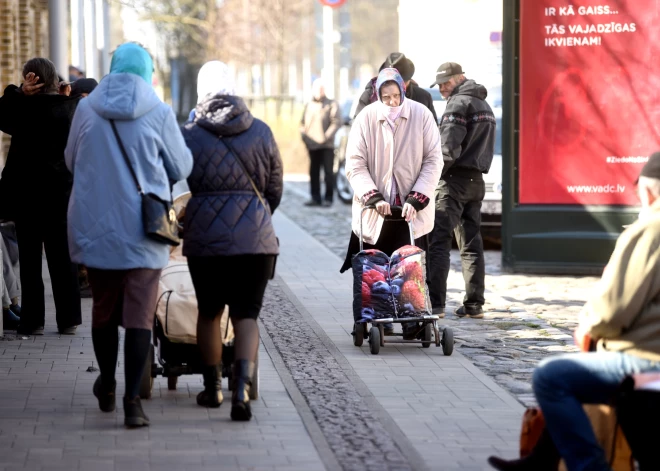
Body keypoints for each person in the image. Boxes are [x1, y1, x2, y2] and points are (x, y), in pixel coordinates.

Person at [487, 153, 660, 471]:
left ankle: (589, 466)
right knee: (578, 373)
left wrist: (589, 327)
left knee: (552, 377)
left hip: (647, 359)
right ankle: (540, 462)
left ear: (649, 191)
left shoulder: (651, 229)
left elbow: (614, 311)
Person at [65, 42, 193, 428]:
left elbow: (71, 159)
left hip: (96, 225)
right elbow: (181, 164)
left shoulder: (86, 108)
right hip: (144, 227)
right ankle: (132, 402)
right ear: (147, 73)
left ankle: (106, 382)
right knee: (139, 313)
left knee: (103, 309)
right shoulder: (157, 110)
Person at [181, 60, 283, 421]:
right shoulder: (262, 131)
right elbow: (274, 190)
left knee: (209, 314)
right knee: (246, 316)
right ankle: (242, 389)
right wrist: (253, 217)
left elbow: (175, 178)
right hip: (254, 243)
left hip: (205, 239)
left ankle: (213, 390)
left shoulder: (189, 133)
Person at [340, 67, 443, 337]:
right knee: (374, 270)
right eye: (385, 97)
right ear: (377, 95)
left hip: (411, 214)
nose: (392, 102)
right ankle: (375, 316)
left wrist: (417, 198)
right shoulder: (366, 118)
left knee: (410, 268)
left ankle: (413, 321)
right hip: (376, 213)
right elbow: (355, 164)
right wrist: (372, 196)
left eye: (396, 96)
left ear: (403, 91)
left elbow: (434, 160)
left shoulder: (421, 115)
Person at [0, 58, 83, 336]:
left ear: (30, 79)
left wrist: (17, 93)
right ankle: (68, 320)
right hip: (60, 194)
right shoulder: (69, 109)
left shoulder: (21, 109)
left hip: (27, 196)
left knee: (30, 260)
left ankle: (33, 321)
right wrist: (65, 96)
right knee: (62, 259)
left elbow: (1, 115)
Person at [427, 62, 496, 319]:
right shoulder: (485, 106)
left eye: (446, 83)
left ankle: (436, 305)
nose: (443, 88)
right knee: (471, 244)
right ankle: (474, 303)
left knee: (439, 243)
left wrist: (432, 178)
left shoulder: (457, 105)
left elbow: (447, 150)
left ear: (460, 78)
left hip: (453, 181)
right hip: (476, 181)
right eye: (440, 84)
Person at [354, 52, 437, 123]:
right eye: (386, 97)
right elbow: (358, 128)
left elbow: (432, 132)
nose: (397, 87)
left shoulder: (422, 97)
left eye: (401, 82)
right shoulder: (369, 96)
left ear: (409, 79)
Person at [300, 78, 341, 207]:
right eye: (317, 89)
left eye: (321, 89)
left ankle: (328, 198)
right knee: (314, 172)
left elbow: (336, 122)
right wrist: (305, 137)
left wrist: (326, 136)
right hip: (312, 145)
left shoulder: (331, 104)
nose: (319, 91)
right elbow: (302, 124)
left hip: (326, 145)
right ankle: (315, 197)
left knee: (328, 172)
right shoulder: (309, 104)